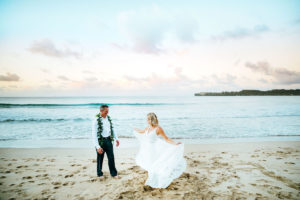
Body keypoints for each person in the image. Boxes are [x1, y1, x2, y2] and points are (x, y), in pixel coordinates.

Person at [133, 112, 186, 188]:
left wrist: (175, 143)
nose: (147, 120)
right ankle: (152, 179)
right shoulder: (148, 127)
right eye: (147, 119)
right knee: (149, 164)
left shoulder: (158, 128)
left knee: (153, 164)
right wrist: (135, 130)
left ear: (152, 119)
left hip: (153, 150)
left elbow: (166, 138)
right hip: (147, 149)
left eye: (148, 119)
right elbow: (142, 132)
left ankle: (154, 181)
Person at [91, 104, 120, 180]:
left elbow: (112, 129)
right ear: (101, 110)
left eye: (108, 111)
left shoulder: (108, 119)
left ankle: (113, 173)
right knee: (100, 158)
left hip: (109, 140)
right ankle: (99, 174)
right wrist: (97, 147)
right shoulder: (96, 121)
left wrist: (116, 138)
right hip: (100, 141)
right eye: (106, 111)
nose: (107, 113)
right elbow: (94, 135)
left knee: (111, 157)